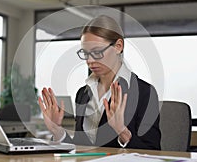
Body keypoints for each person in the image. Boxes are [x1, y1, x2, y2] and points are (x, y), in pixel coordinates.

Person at [38, 15, 161, 150]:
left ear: (118, 46)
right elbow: (80, 148)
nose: (89, 61)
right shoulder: (83, 94)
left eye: (96, 52)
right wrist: (57, 130)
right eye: (85, 53)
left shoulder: (145, 93)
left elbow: (153, 151)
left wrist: (122, 131)